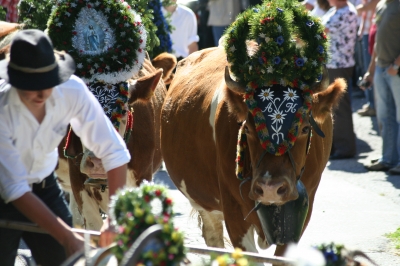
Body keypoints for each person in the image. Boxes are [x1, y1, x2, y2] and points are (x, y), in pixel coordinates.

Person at [0, 29, 130, 265]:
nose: (41, 93)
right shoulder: (2, 109)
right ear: (15, 80)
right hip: (2, 196)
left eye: (47, 83)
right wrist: (68, 236)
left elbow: (114, 151)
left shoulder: (72, 91)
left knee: (66, 259)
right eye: (31, 85)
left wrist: (114, 216)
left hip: (44, 186)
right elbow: (14, 188)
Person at [362, 0, 400, 174]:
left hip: (395, 69)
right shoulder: (382, 4)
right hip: (381, 67)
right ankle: (388, 158)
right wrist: (370, 70)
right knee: (385, 117)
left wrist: (397, 65)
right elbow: (377, 40)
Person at [322, 0, 358, 160]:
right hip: (332, 63)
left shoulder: (347, 12)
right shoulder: (334, 10)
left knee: (339, 106)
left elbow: (322, 30)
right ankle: (335, 145)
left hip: (339, 64)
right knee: (332, 107)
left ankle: (345, 148)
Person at [355, 0, 379, 117]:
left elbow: (374, 4)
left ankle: (374, 106)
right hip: (366, 31)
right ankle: (371, 103)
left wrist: (359, 9)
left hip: (372, 31)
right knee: (367, 68)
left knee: (370, 68)